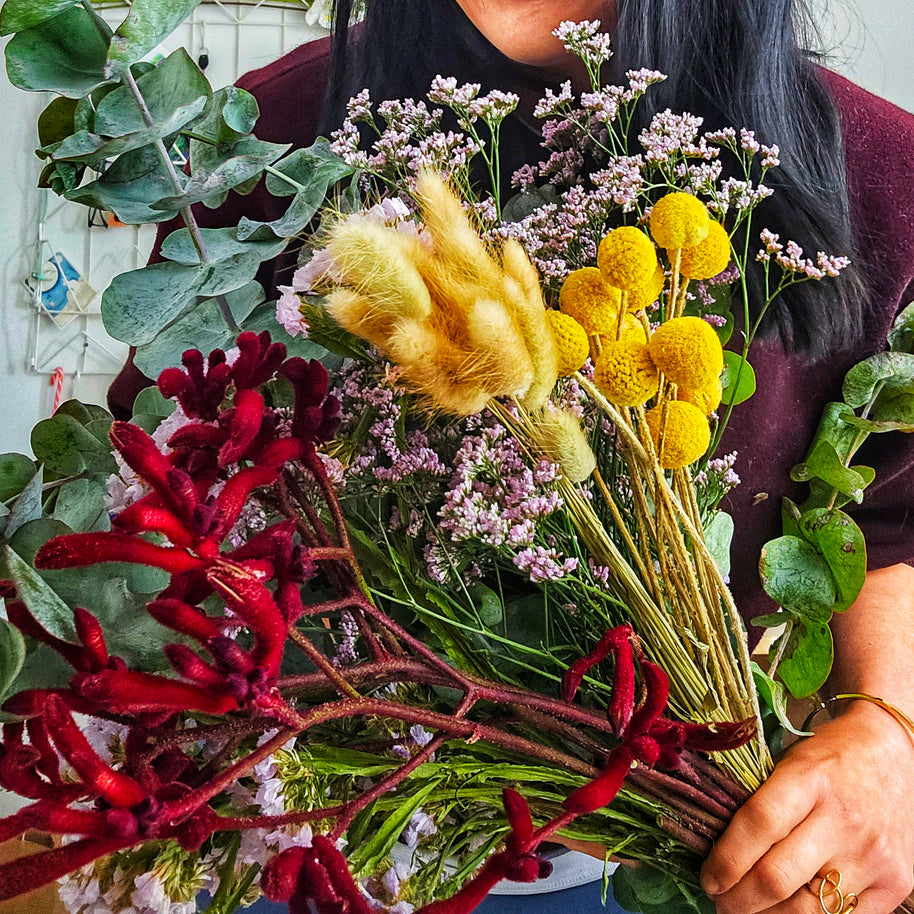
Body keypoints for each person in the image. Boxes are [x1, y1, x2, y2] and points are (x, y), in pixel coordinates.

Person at [108, 2, 914, 912]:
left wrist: (889, 732)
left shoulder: (884, 179)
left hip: (699, 859)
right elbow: (171, 479)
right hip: (313, 841)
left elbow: (890, 514)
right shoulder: (272, 143)